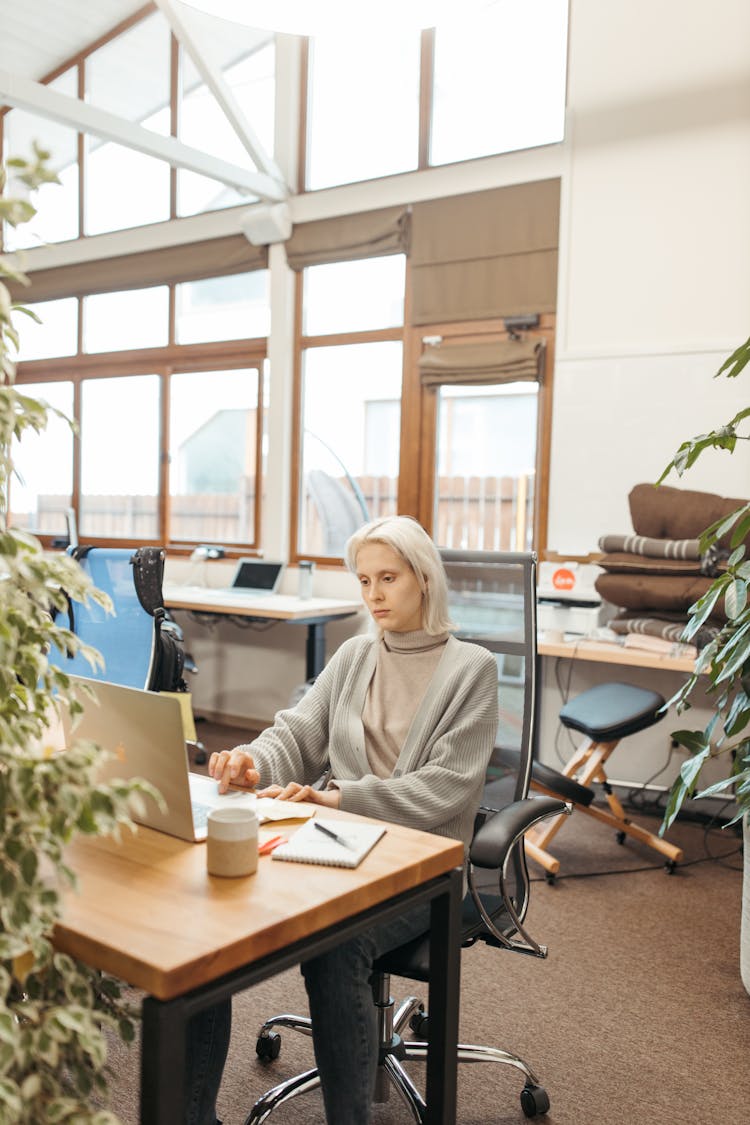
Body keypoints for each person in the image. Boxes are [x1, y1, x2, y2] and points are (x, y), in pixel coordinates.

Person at [189, 516, 498, 1125]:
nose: (374, 595)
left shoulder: (473, 669)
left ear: (425, 581)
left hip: (421, 866)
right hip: (333, 847)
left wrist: (338, 799)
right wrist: (252, 763)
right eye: (364, 581)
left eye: (388, 578)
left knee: (338, 946)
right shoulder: (356, 655)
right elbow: (298, 733)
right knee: (209, 920)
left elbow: (446, 788)